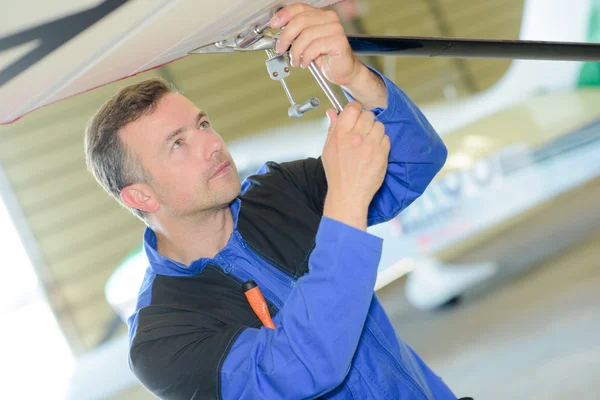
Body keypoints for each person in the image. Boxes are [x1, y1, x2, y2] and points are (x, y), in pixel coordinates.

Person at [85, 4, 457, 399]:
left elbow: (415, 161)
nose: (212, 145)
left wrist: (352, 76)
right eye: (178, 144)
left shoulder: (281, 190)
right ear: (140, 195)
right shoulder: (162, 339)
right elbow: (304, 366)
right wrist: (345, 201)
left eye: (203, 124)